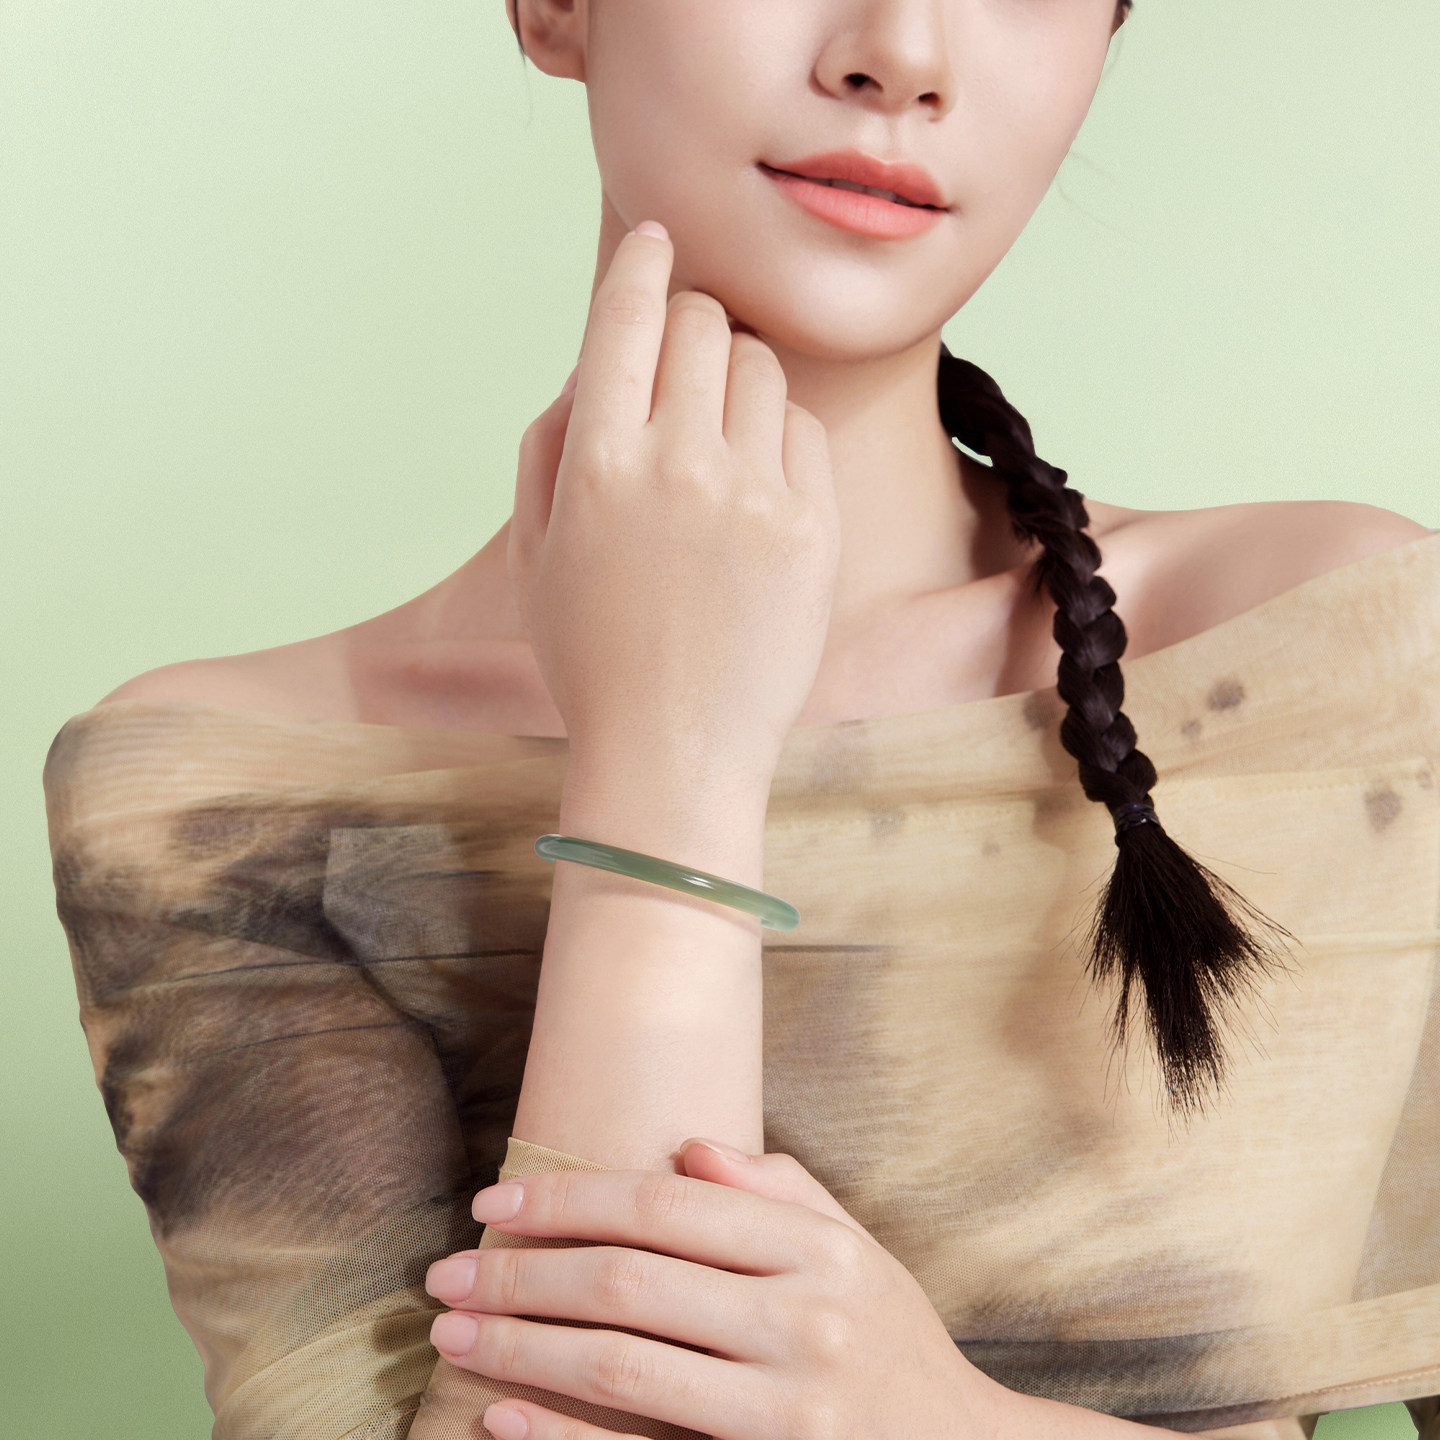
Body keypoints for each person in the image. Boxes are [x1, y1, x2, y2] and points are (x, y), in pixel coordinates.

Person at [41, 2, 1440, 1438]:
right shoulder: (233, 802)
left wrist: (931, 1420)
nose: (902, 53)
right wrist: (667, 758)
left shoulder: (1340, 654)